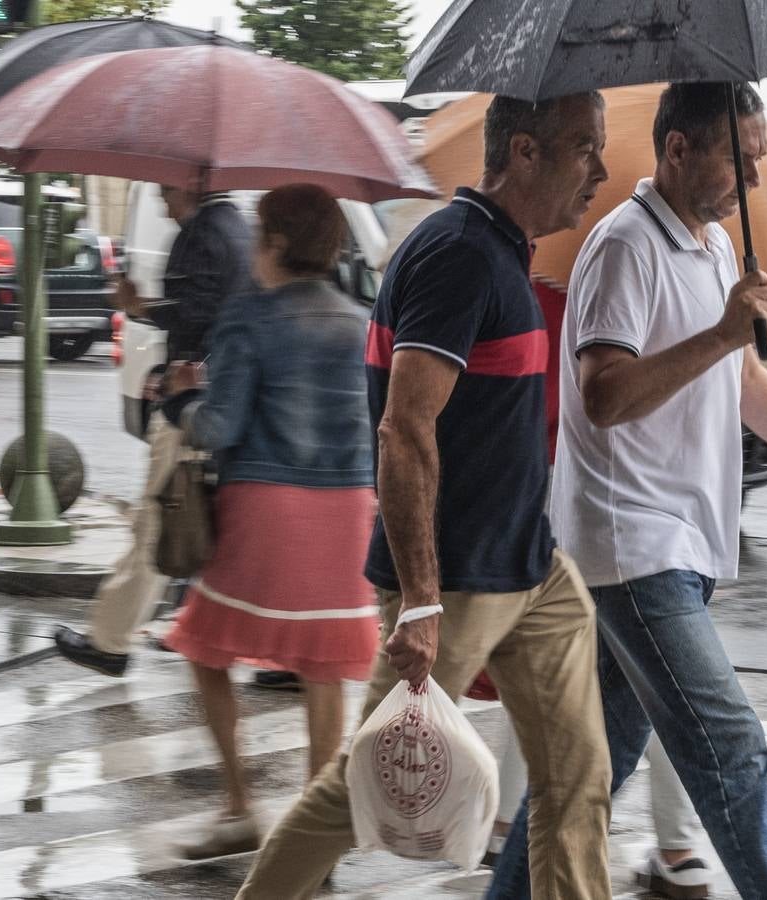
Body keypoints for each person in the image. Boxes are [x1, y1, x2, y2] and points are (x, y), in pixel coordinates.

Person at [488, 82, 767, 900]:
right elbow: (601, 395)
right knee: (731, 748)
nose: (755, 175)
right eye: (742, 159)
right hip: (632, 544)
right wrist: (719, 330)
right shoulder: (623, 247)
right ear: (680, 150)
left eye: (760, 158)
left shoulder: (712, 247)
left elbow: (742, 381)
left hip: (678, 542)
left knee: (586, 769)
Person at [235, 91, 614, 900]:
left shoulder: (502, 252)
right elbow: (404, 427)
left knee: (578, 781)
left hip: (530, 571)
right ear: (524, 151)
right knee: (359, 791)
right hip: (461, 579)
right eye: (586, 148)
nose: (601, 172)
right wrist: (420, 598)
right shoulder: (459, 254)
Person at [149, 183, 378, 859]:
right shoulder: (359, 319)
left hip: (269, 508)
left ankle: (239, 806)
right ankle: (315, 835)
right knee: (324, 668)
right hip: (346, 513)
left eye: (257, 233)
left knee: (204, 645)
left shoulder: (250, 318)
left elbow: (220, 426)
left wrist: (180, 398)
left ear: (275, 244)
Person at [484, 281, 709, 898]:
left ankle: (509, 823)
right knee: (656, 678)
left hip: (571, 494)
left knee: (548, 664)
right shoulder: (656, 282)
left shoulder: (550, 287)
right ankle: (679, 844)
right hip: (652, 500)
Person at [54, 185, 254, 676]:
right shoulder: (234, 227)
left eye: (166, 188)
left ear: (190, 182)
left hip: (192, 396)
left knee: (159, 518)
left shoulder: (205, 232)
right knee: (194, 521)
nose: (162, 199)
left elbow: (200, 315)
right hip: (212, 392)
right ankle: (206, 631)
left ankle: (111, 641)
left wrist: (140, 307)